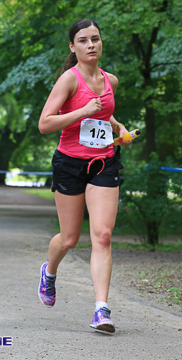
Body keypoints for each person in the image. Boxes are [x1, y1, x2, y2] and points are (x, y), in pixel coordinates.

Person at [37, 19, 131, 334]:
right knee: (70, 238)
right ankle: (49, 272)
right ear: (73, 47)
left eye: (95, 39)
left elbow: (103, 113)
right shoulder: (68, 80)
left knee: (102, 235)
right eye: (83, 40)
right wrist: (81, 113)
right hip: (70, 163)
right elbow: (45, 123)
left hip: (104, 161)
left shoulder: (111, 81)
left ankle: (101, 310)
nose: (91, 45)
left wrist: (117, 127)